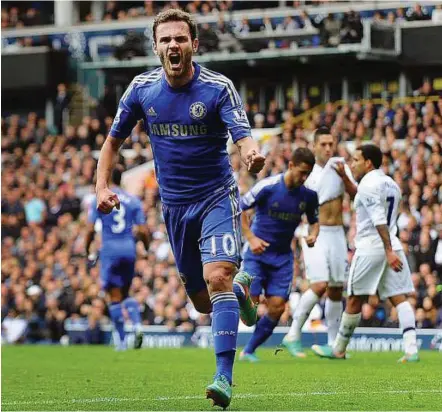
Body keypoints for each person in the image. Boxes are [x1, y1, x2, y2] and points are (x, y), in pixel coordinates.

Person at [94, 9, 265, 408]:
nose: (174, 45)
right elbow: (112, 143)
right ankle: (241, 290)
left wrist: (253, 154)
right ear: (156, 47)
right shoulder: (141, 90)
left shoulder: (218, 88)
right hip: (174, 207)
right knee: (204, 301)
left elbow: (244, 136)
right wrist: (101, 185)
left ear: (194, 45)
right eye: (166, 39)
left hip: (216, 197)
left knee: (217, 276)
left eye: (180, 39)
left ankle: (223, 377)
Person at [312, 144, 419, 363]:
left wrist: (388, 251)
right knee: (399, 297)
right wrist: (345, 178)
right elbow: (360, 198)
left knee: (354, 299)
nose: (352, 164)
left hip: (373, 247)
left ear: (368, 162)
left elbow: (378, 218)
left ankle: (338, 349)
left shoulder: (368, 185)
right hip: (393, 242)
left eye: (356, 160)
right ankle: (411, 350)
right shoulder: (391, 183)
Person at [238, 148, 319, 362]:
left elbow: (314, 222)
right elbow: (240, 209)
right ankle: (237, 299)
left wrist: (313, 235)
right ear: (291, 165)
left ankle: (249, 350)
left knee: (277, 307)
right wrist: (251, 238)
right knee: (250, 310)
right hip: (257, 254)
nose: (304, 178)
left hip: (282, 258)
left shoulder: (308, 196)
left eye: (308, 174)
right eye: (302, 172)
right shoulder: (268, 187)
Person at [282, 127, 357, 357]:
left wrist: (344, 175)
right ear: (314, 146)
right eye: (323, 144)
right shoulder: (309, 173)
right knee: (320, 284)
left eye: (330, 143)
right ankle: (292, 334)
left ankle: (334, 344)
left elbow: (355, 194)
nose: (327, 148)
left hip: (337, 234)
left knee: (336, 289)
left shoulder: (339, 166)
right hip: (315, 232)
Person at [85, 164, 148, 351]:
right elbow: (143, 229)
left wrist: (87, 248)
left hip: (110, 248)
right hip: (128, 248)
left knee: (113, 295)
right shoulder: (133, 200)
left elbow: (89, 229)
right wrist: (146, 246)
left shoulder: (101, 199)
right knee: (126, 293)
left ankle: (121, 341)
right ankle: (136, 325)